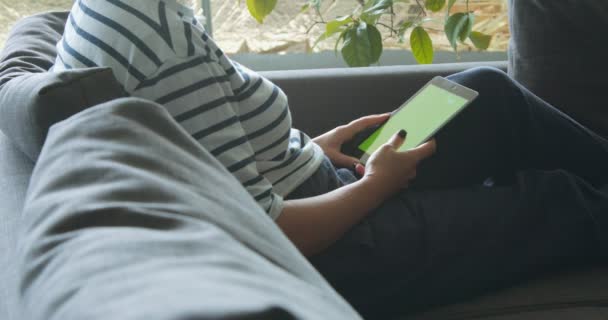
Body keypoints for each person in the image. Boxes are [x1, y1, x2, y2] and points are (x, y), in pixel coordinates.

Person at [53, 0, 608, 317]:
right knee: (553, 198)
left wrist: (312, 146)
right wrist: (377, 185)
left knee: (489, 95)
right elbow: (268, 230)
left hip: (321, 186)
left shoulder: (119, 11)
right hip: (330, 246)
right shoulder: (155, 33)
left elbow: (212, 152)